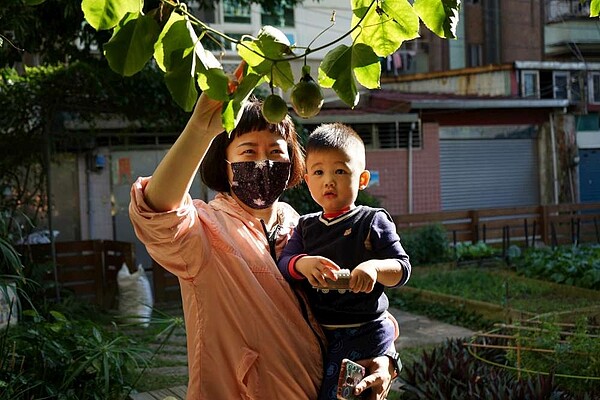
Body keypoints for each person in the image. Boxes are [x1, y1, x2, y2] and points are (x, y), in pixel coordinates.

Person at [128, 71, 398, 398]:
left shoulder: (303, 225)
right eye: (247, 152)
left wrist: (386, 358)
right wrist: (200, 129)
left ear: (293, 163)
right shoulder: (204, 230)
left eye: (274, 152)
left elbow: (355, 307)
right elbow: (158, 212)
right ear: (225, 164)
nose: (263, 163)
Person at [277, 123, 411, 400]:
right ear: (306, 179)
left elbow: (402, 268)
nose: (329, 180)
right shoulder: (305, 226)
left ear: (362, 179)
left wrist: (374, 267)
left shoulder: (372, 220)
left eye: (340, 171)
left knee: (351, 395)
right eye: (318, 172)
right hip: (322, 334)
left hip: (366, 332)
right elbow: (285, 264)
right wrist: (302, 264)